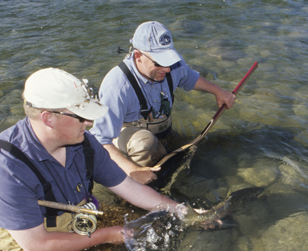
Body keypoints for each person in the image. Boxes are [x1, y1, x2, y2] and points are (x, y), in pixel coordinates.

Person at [0, 68, 187, 251]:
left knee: (156, 226)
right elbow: (38, 246)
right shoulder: (1, 167)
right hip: (30, 242)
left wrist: (181, 210)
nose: (90, 123)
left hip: (77, 214)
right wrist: (110, 234)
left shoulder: (84, 141)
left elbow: (129, 188)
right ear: (48, 118)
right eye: (81, 116)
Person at [91, 21, 236, 184]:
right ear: (138, 56)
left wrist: (218, 91)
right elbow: (100, 140)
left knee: (195, 157)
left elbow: (189, 77)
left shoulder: (171, 66)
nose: (167, 69)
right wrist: (133, 171)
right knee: (144, 145)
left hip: (162, 132)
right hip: (129, 139)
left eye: (169, 61)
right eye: (159, 62)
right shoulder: (116, 85)